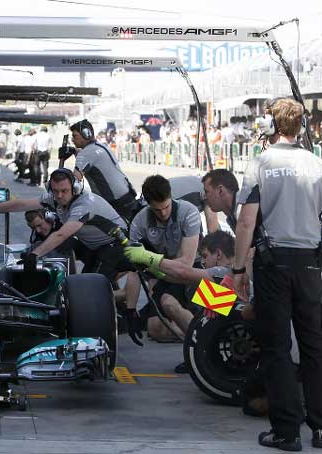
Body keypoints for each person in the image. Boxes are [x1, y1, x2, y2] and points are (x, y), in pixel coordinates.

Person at [231, 98, 322, 451]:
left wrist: (238, 269)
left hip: (273, 265)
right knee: (314, 346)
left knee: (277, 349)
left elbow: (246, 220)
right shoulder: (316, 164)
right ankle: (320, 427)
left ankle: (286, 432)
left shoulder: (261, 163)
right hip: (311, 264)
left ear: (271, 125)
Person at [0, 168, 131, 282]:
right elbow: (21, 204)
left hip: (116, 243)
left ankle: (115, 307)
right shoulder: (54, 198)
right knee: (86, 282)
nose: (59, 196)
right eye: (55, 191)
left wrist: (34, 255)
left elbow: (61, 234)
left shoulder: (84, 205)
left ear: (75, 188)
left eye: (64, 191)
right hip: (94, 245)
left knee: (89, 285)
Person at [122, 175, 201, 348]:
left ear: (171, 196)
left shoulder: (189, 212)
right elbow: (134, 270)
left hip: (194, 272)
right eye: (157, 210)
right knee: (155, 329)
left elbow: (186, 264)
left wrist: (151, 261)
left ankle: (203, 346)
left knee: (225, 306)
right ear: (148, 205)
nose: (163, 213)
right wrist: (130, 310)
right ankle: (195, 336)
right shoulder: (139, 223)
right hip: (164, 275)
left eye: (166, 206)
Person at [123, 230, 235, 339]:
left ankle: (201, 340)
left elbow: (184, 273)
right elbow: (181, 278)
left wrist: (147, 257)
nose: (203, 262)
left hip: (235, 328)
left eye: (205, 256)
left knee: (194, 288)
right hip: (232, 321)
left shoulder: (223, 272)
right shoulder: (229, 273)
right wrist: (151, 269)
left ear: (219, 254)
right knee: (191, 289)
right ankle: (199, 340)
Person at [65, 119, 138, 220]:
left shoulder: (85, 153)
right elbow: (91, 160)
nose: (72, 140)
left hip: (114, 202)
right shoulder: (102, 146)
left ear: (87, 134)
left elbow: (74, 181)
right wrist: (73, 151)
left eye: (75, 136)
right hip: (127, 195)